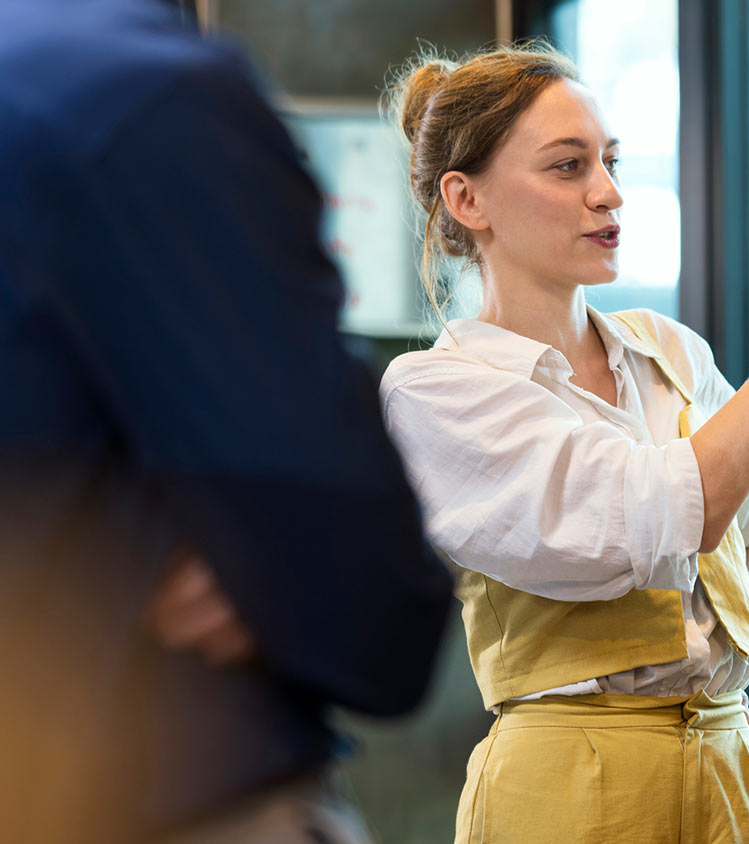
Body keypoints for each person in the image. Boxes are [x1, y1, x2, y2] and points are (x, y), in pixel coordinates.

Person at [379, 42, 749, 843]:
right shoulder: (439, 389)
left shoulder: (669, 351)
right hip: (569, 789)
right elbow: (663, 511)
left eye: (611, 161)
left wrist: (699, 646)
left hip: (731, 765)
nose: (609, 192)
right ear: (467, 199)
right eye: (567, 166)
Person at [0, 1, 453, 841]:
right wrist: (122, 560)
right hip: (153, 788)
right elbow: (367, 594)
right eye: (568, 164)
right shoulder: (143, 98)